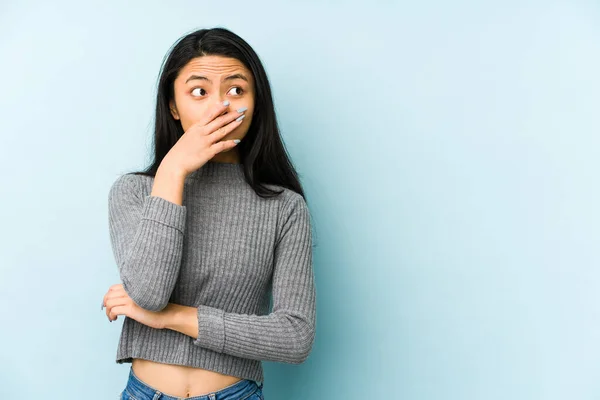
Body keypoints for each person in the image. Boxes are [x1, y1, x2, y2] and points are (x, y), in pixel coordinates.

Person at [101, 27, 316, 400]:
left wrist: (173, 318)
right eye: (199, 92)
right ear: (173, 106)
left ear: (256, 104)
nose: (220, 107)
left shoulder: (285, 207)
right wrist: (172, 170)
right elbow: (149, 294)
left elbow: (294, 336)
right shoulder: (134, 191)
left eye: (236, 90)